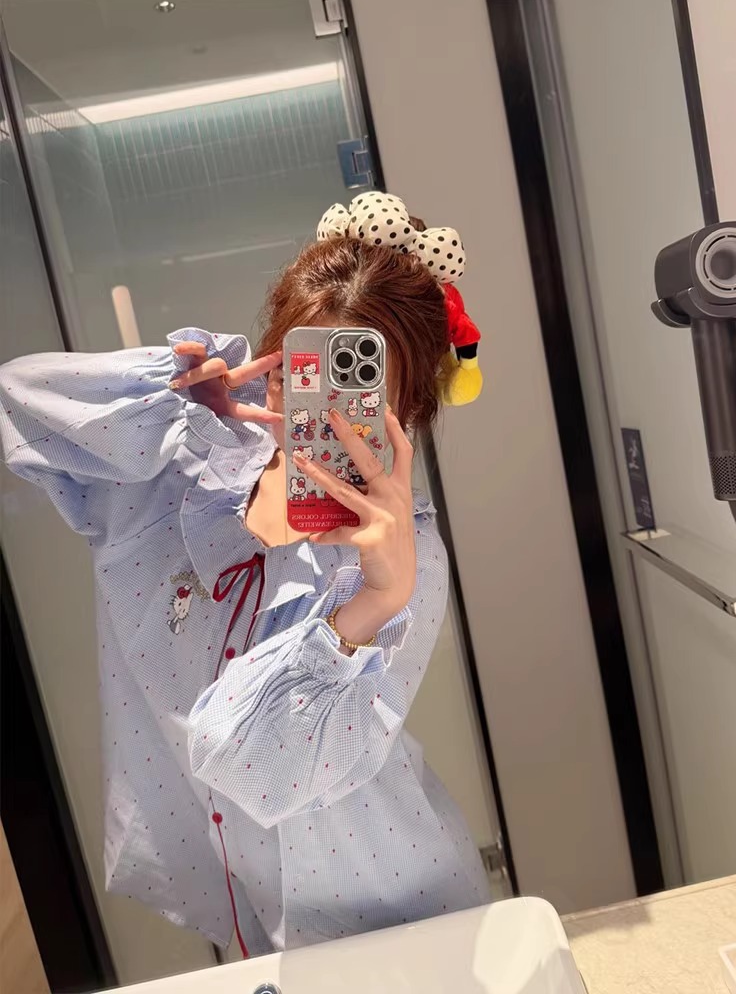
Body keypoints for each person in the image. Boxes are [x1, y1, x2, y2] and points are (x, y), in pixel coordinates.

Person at [0, 192, 488, 956]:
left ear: (409, 407)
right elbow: (16, 398)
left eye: (360, 389)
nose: (328, 412)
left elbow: (259, 769)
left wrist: (371, 604)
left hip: (394, 905)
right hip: (248, 901)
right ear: (270, 369)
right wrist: (165, 392)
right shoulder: (180, 474)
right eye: (303, 370)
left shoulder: (404, 561)